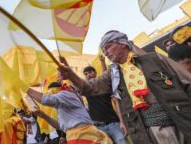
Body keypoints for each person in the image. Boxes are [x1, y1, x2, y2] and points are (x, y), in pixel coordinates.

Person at [58, 30, 191, 144]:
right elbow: (90, 87)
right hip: (147, 131)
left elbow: (186, 81)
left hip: (181, 121)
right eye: (104, 51)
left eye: (108, 47)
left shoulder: (154, 59)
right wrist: (71, 75)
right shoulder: (113, 74)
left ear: (122, 44)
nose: (106, 53)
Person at [27, 82, 112, 144]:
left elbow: (46, 100)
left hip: (83, 135)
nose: (51, 95)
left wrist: (26, 89)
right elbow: (59, 126)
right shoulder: (62, 106)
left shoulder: (66, 94)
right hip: (75, 137)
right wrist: (44, 116)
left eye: (51, 93)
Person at [83, 65, 127, 144]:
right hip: (98, 127)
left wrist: (121, 121)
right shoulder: (86, 90)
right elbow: (75, 82)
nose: (88, 75)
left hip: (113, 124)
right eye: (85, 74)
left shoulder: (105, 86)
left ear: (95, 73)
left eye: (90, 72)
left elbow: (116, 102)